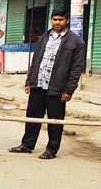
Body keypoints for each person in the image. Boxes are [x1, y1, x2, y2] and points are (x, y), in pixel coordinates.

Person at [9, 9, 86, 160]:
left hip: (57, 88)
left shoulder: (76, 42)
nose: (57, 23)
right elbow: (36, 59)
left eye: (61, 20)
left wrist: (69, 90)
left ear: (67, 20)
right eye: (55, 19)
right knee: (32, 116)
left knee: (55, 120)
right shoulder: (45, 36)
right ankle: (27, 144)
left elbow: (76, 69)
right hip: (38, 85)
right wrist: (29, 81)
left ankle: (51, 149)